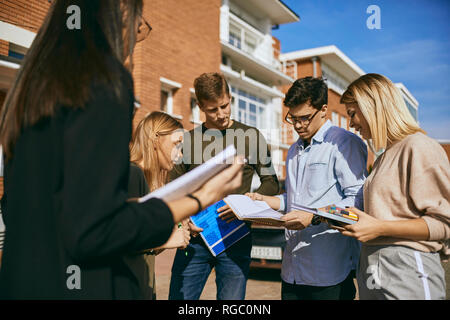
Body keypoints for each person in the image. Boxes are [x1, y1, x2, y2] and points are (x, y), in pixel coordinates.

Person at [0, 0, 243, 299]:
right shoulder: (101, 81)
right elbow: (96, 229)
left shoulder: (31, 87)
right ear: (121, 10)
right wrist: (202, 197)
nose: (134, 40)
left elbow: (19, 208)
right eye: (140, 25)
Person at [247, 77, 367, 300]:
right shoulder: (293, 150)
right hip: (292, 270)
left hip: (328, 273)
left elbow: (357, 202)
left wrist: (314, 217)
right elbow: (293, 201)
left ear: (323, 110)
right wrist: (263, 200)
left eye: (304, 118)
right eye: (293, 119)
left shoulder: (344, 143)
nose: (299, 126)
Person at [168, 72, 280, 300]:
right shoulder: (187, 140)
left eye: (224, 106)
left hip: (236, 240)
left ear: (230, 98)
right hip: (194, 241)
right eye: (212, 109)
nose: (220, 114)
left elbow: (271, 183)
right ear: (199, 106)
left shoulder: (251, 136)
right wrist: (183, 221)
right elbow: (173, 188)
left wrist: (246, 205)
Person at [338, 73, 449, 300]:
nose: (351, 124)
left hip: (409, 270)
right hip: (373, 269)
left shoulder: (418, 146)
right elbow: (386, 215)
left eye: (352, 114)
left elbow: (444, 223)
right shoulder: (383, 157)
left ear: (372, 106)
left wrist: (379, 228)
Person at [128, 111, 190, 299]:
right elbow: (118, 237)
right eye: (176, 145)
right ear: (155, 139)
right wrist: (168, 239)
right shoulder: (132, 175)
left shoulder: (145, 182)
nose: (178, 155)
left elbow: (147, 246)